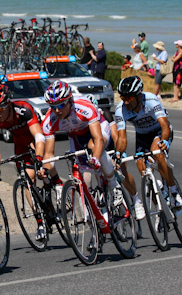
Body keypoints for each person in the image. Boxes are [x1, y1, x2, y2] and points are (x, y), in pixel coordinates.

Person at [41, 80, 137, 219]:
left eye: (61, 105)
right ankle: (94, 216)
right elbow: (49, 154)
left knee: (95, 147)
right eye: (53, 106)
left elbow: (98, 139)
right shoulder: (49, 121)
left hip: (97, 129)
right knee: (83, 179)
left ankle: (113, 186)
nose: (57, 110)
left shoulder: (83, 107)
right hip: (76, 136)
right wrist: (45, 169)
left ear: (70, 100)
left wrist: (96, 158)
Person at [114, 76, 182, 213]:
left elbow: (164, 125)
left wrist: (164, 140)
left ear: (138, 96)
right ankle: (161, 210)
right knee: (143, 171)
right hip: (142, 136)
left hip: (160, 131)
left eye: (130, 98)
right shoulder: (121, 109)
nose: (126, 102)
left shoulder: (151, 100)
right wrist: (118, 154)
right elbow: (122, 138)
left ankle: (174, 192)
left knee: (157, 154)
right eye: (123, 98)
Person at [0, 84, 47, 239]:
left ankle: (56, 187)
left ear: (9, 105)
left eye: (1, 108)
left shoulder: (23, 109)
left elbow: (39, 136)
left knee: (45, 170)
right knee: (27, 180)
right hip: (20, 145)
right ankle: (40, 222)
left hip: (36, 140)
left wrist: (40, 159)